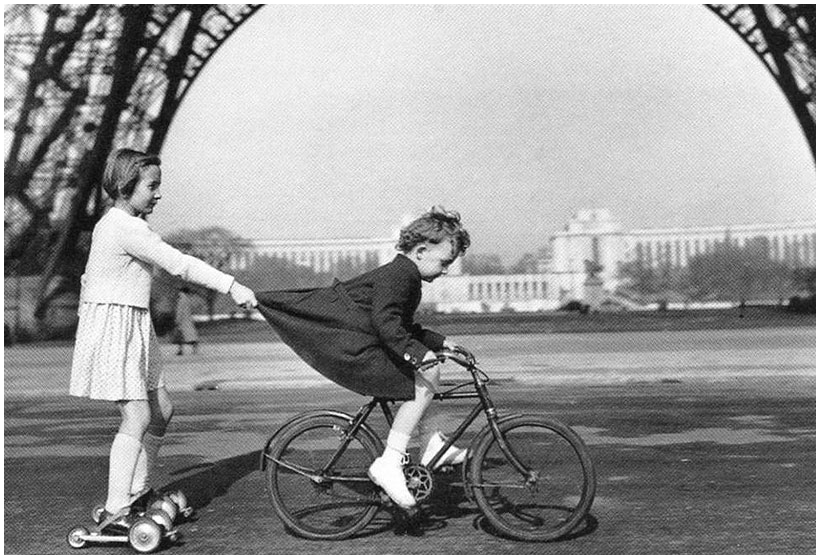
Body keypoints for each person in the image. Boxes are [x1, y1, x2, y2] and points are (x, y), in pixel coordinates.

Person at [69, 148, 257, 532]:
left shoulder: (124, 224)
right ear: (126, 185)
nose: (158, 194)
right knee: (137, 415)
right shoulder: (122, 226)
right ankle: (115, 507)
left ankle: (135, 492)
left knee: (162, 410)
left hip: (132, 322)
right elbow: (178, 263)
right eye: (152, 186)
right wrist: (231, 285)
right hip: (114, 325)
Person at [256, 207, 470, 510]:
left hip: (360, 343)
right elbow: (387, 324)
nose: (447, 269)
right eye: (445, 262)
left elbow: (403, 327)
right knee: (426, 375)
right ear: (421, 251)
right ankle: (391, 462)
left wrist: (441, 343)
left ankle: (431, 441)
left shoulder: (404, 275)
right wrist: (422, 355)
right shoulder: (400, 276)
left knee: (427, 372)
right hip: (355, 350)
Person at [173, 287, 199, 355]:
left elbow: (179, 310)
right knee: (191, 336)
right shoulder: (188, 299)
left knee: (181, 336)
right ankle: (194, 350)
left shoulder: (181, 300)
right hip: (188, 319)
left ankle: (180, 350)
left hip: (182, 321)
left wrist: (177, 319)